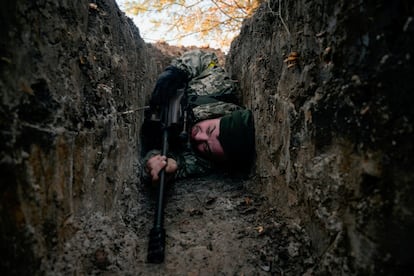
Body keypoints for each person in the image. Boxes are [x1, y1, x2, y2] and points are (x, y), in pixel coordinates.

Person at [140, 50, 255, 184]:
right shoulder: (220, 87)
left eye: (206, 147)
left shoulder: (205, 162)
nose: (198, 137)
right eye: (209, 129)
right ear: (221, 116)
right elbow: (207, 59)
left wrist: (160, 165)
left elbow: (176, 165)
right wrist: (176, 72)